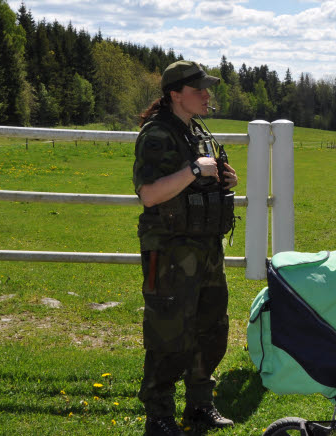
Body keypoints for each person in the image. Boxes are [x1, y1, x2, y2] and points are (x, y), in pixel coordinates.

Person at [132, 60, 239, 436]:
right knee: (167, 333)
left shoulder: (197, 132)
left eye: (206, 88)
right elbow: (149, 194)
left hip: (205, 250)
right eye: (199, 90)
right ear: (175, 95)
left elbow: (200, 179)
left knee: (211, 328)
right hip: (171, 252)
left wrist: (225, 178)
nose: (207, 95)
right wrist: (194, 171)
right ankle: (158, 416)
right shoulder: (157, 135)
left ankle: (199, 405)